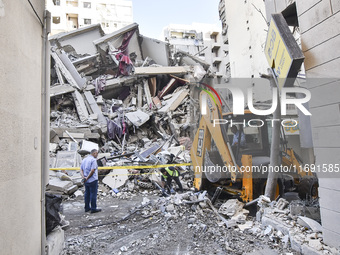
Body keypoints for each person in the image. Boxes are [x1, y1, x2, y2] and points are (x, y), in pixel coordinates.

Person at [80, 149, 101, 213]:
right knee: (93, 194)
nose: (97, 155)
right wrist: (88, 177)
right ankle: (93, 208)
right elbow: (92, 170)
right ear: (94, 153)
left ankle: (87, 207)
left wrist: (84, 177)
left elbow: (81, 170)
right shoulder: (93, 160)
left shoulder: (84, 160)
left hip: (86, 180)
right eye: (97, 153)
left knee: (87, 194)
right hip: (92, 180)